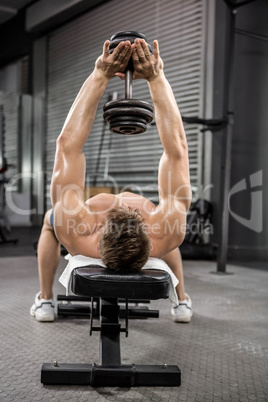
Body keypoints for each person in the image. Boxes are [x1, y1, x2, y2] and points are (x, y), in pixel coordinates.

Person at [30, 37, 193, 323]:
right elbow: (176, 151)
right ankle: (182, 300)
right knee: (172, 232)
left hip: (96, 232)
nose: (127, 209)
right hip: (165, 234)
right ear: (147, 238)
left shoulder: (77, 231)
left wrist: (100, 75)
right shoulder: (163, 232)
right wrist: (156, 77)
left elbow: (67, 146)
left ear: (99, 232)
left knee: (49, 221)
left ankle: (45, 299)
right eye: (135, 215)